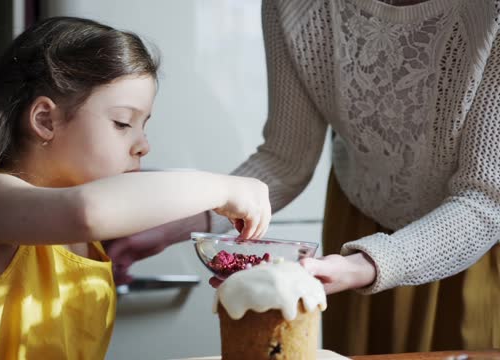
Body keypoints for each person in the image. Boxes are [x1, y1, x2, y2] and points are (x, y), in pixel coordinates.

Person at [104, 0, 500, 354]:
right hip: (355, 227)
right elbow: (284, 159)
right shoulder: (293, 6)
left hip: (470, 248)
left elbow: (485, 198)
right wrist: (172, 226)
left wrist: (362, 266)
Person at [0, 16, 272, 360]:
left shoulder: (79, 232)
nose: (143, 144)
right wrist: (222, 187)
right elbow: (87, 212)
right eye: (123, 123)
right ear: (45, 120)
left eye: (144, 125)